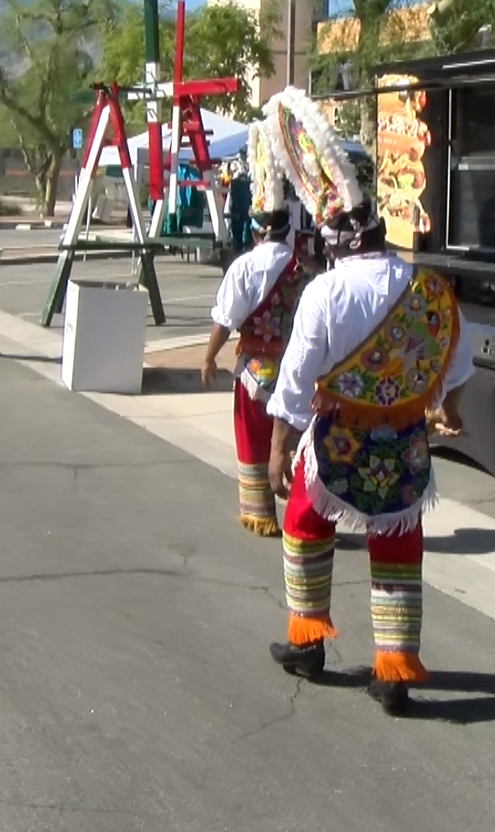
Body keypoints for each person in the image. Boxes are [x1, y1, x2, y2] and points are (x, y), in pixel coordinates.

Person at [260, 87, 474, 716]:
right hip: (404, 442)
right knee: (399, 542)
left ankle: (309, 642)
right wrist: (448, 409)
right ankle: (396, 671)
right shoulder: (428, 288)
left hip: (335, 440)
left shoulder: (326, 292)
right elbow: (454, 362)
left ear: (334, 241)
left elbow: (296, 380)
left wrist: (276, 452)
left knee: (304, 525)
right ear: (380, 235)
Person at [202, 123, 309, 537]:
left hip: (254, 369)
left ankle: (260, 511)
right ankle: (302, 513)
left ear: (258, 227)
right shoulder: (302, 267)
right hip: (295, 366)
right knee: (292, 440)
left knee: (253, 437)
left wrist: (210, 356)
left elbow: (225, 317)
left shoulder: (244, 266)